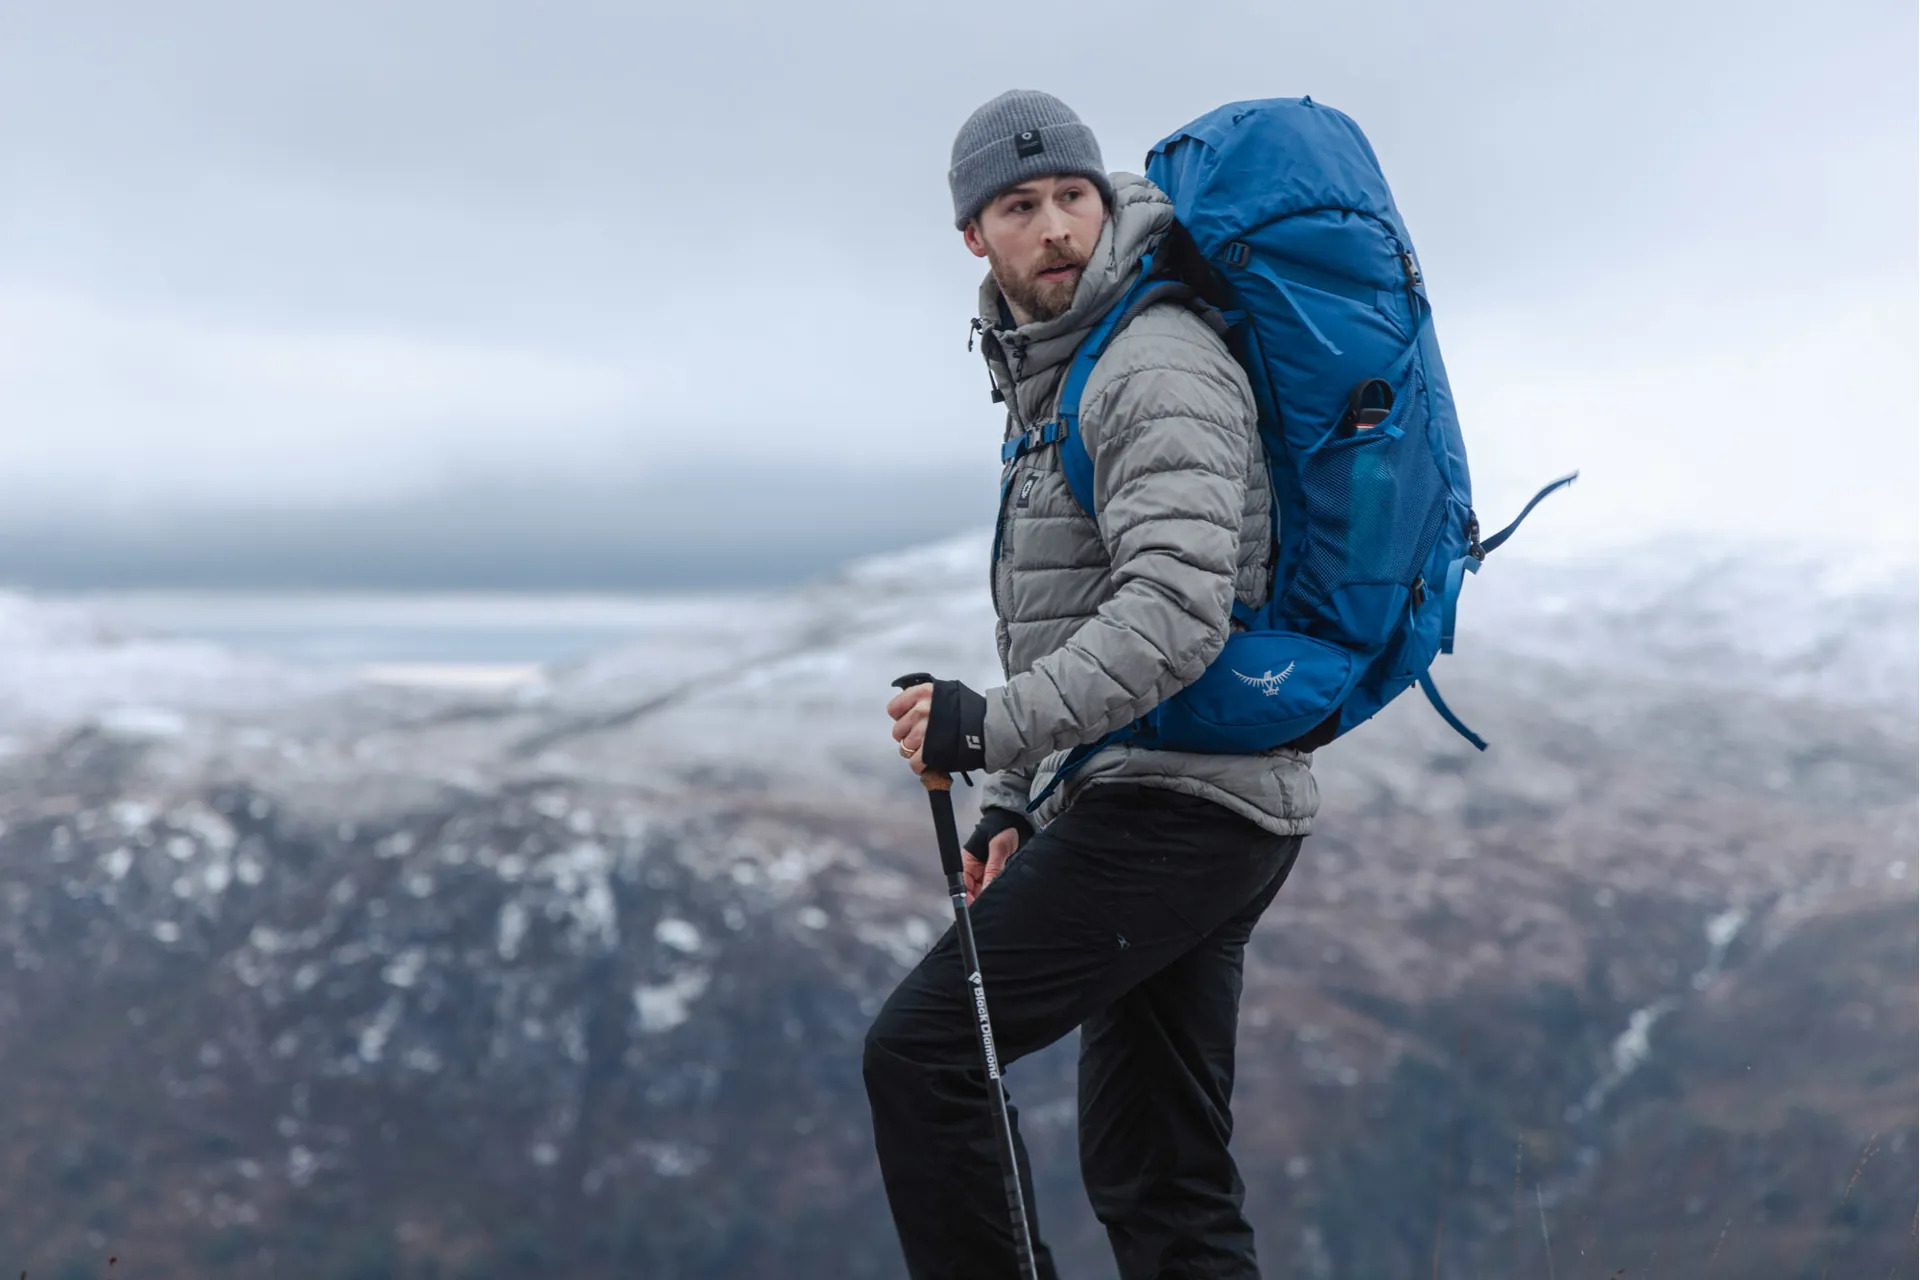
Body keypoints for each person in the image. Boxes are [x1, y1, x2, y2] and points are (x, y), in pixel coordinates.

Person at [865, 90, 1320, 1280]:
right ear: (974, 235)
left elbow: (1175, 612)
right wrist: (1015, 799)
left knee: (924, 1049)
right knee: (1159, 1170)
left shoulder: (1152, 363)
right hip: (1181, 794)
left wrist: (985, 729)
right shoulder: (1057, 375)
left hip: (1184, 801)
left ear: (1106, 200)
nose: (1057, 225)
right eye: (1020, 206)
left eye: (1074, 194)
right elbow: (1062, 615)